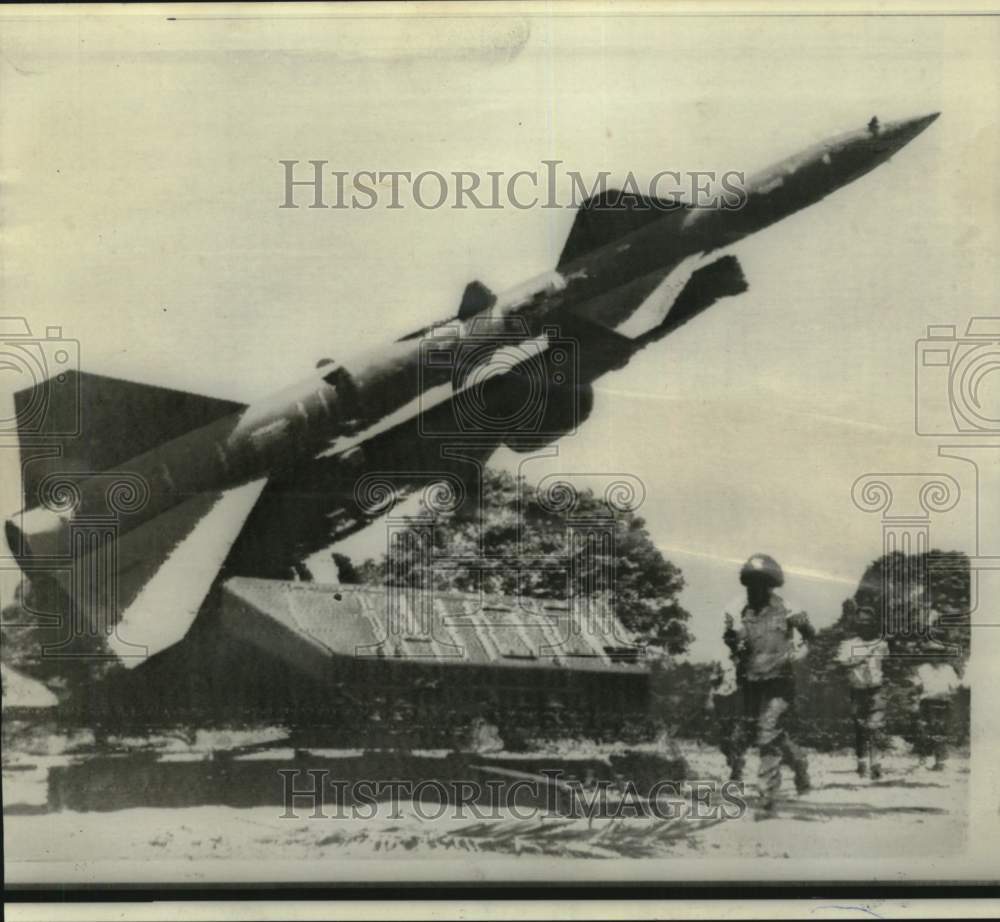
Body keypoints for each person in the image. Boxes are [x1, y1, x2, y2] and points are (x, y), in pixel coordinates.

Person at [724, 553, 815, 817]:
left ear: (771, 584)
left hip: (780, 680)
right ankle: (799, 763)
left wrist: (801, 653)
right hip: (751, 679)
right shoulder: (739, 611)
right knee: (759, 732)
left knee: (767, 730)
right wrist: (735, 645)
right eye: (751, 582)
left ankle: (767, 796)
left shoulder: (788, 608)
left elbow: (810, 635)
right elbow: (732, 642)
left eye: (762, 582)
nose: (756, 587)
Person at [835, 605, 890, 780]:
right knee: (860, 728)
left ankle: (876, 764)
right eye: (861, 621)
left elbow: (886, 665)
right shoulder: (848, 644)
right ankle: (862, 763)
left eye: (867, 621)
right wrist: (857, 661)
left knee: (875, 726)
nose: (864, 624)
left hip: (876, 689)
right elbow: (840, 665)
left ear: (873, 623)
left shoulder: (882, 644)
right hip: (857, 691)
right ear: (856, 623)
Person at [911, 649, 964, 771]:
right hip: (927, 702)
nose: (935, 656)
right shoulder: (922, 669)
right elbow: (916, 686)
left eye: (938, 653)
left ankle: (940, 762)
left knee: (940, 731)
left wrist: (959, 685)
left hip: (943, 703)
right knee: (925, 731)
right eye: (932, 653)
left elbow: (955, 686)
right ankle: (923, 761)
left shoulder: (948, 669)